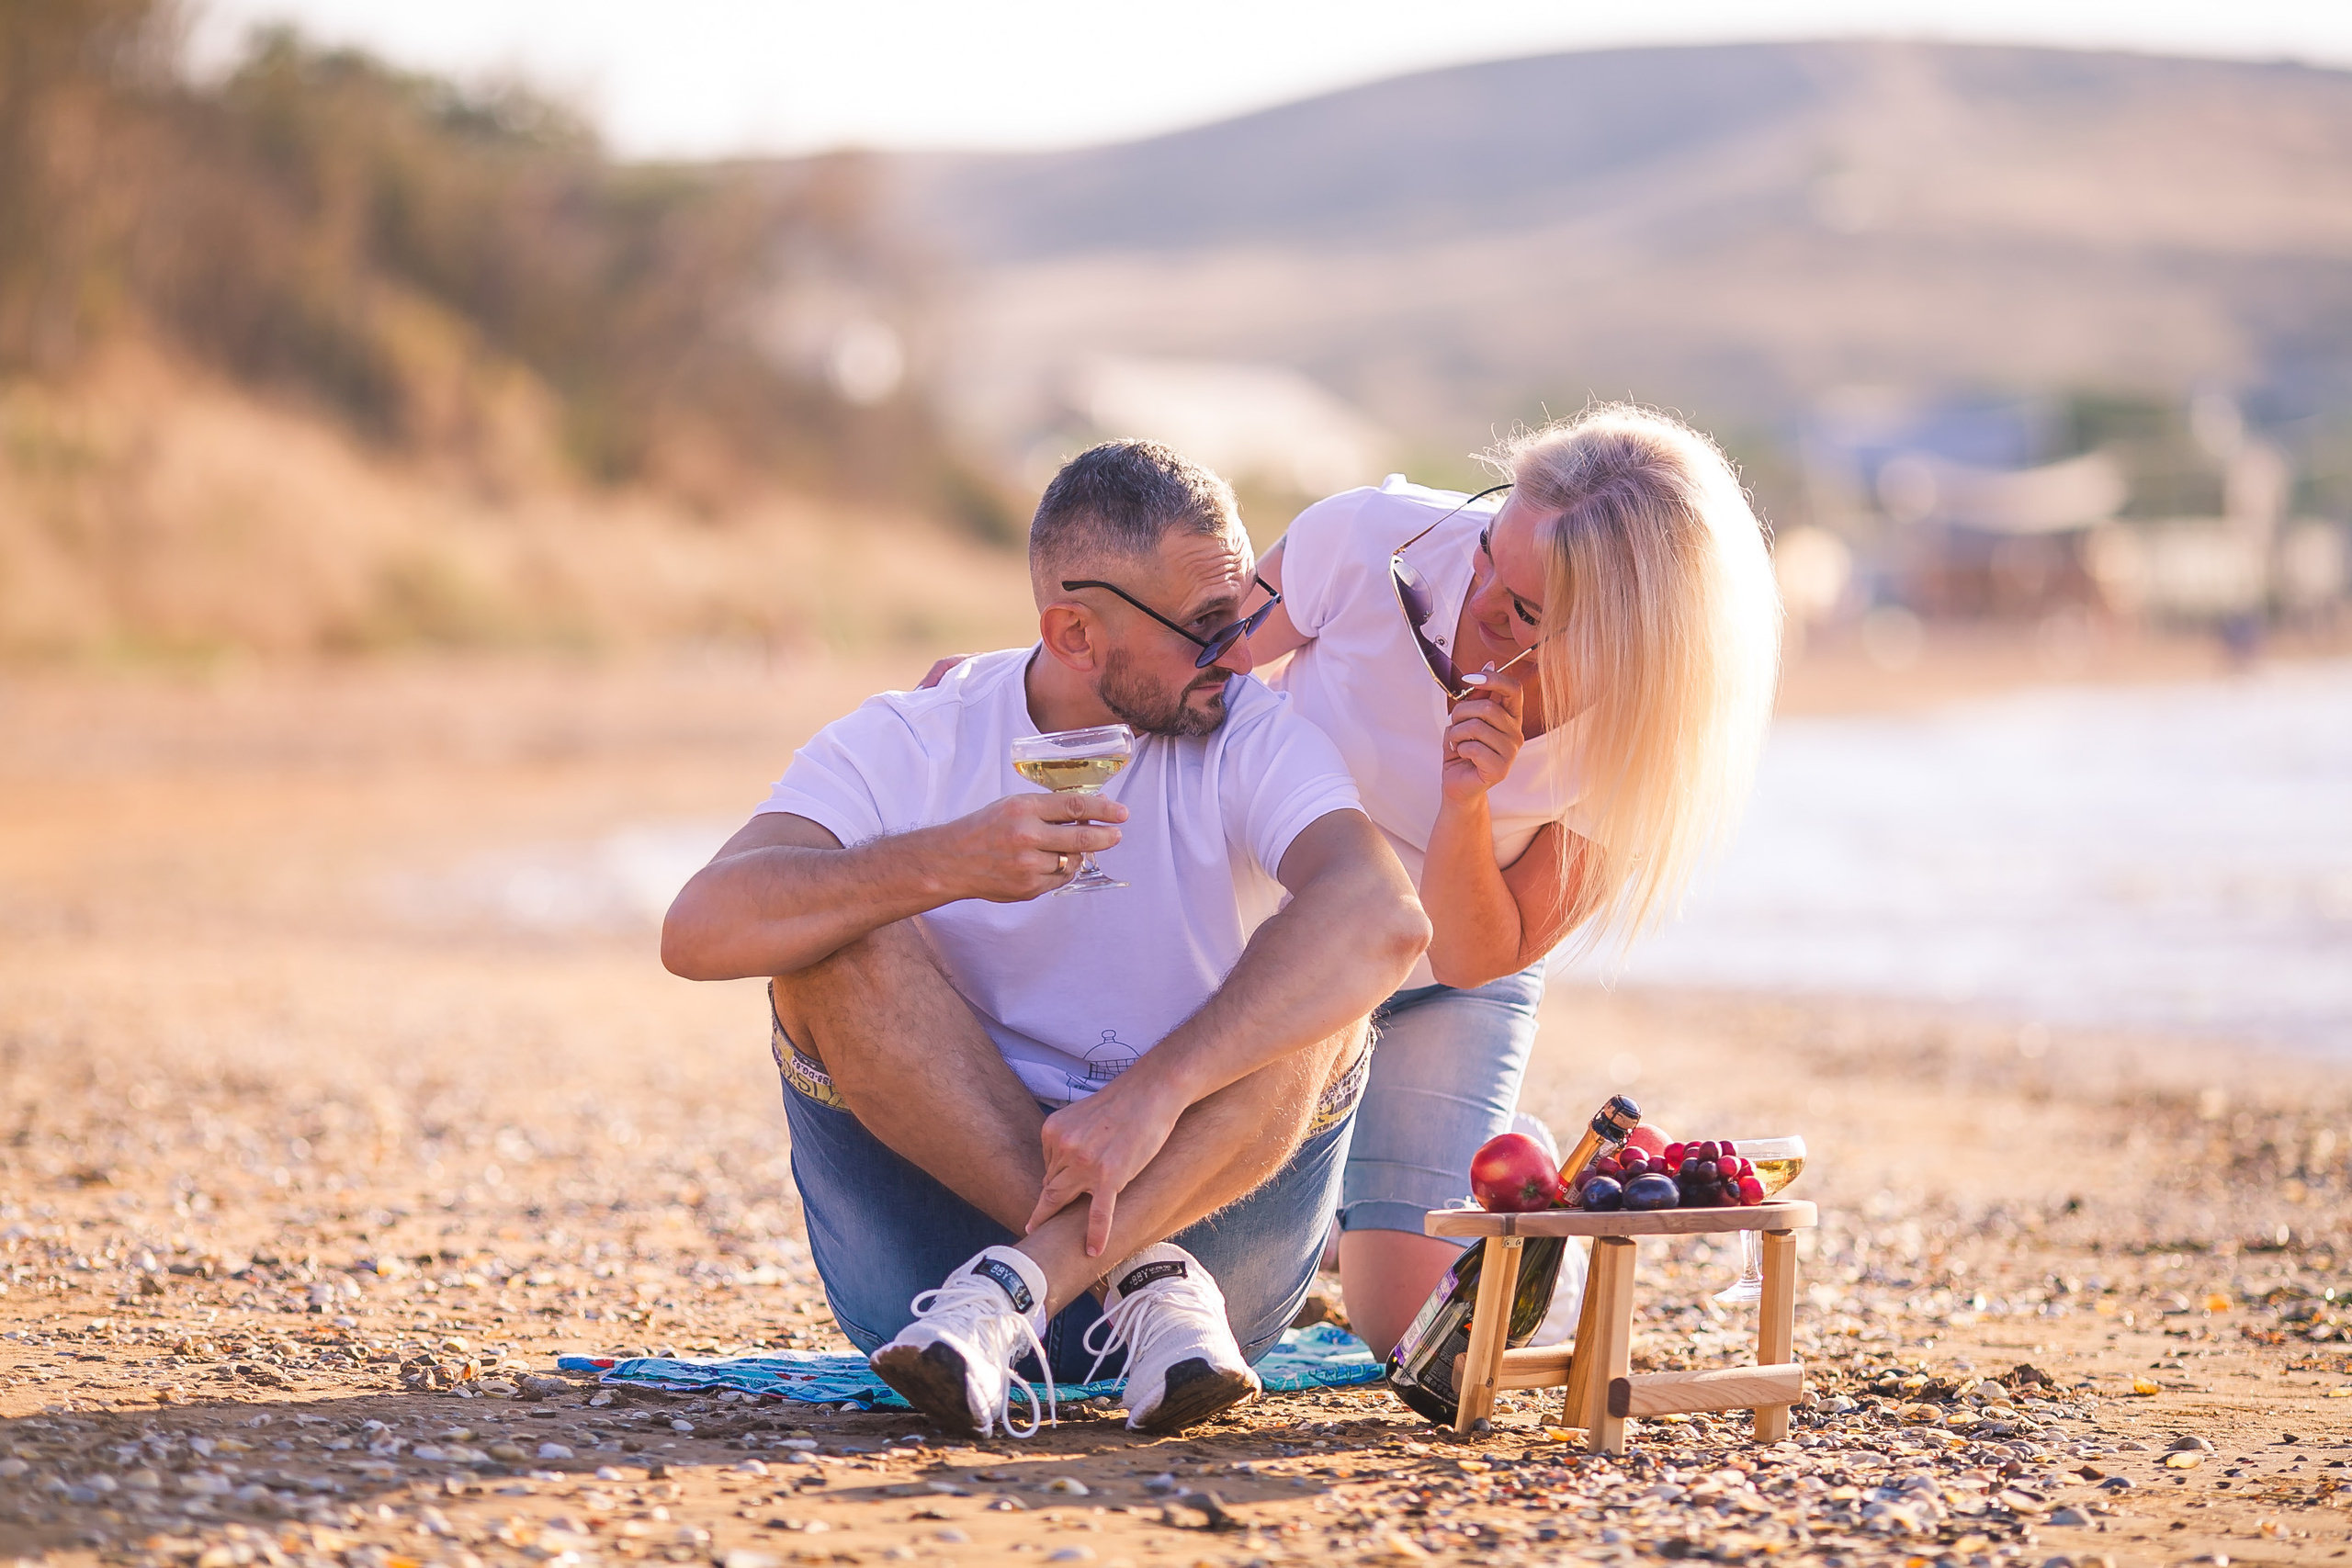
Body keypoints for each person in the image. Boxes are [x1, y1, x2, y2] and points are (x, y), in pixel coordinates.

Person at [662, 440, 1429, 1439]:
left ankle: (1044, 1281)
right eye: (1205, 628)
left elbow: (1385, 919)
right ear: (1072, 632)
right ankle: (1129, 1274)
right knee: (832, 939)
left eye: (1243, 613)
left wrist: (1148, 1098)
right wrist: (939, 862)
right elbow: (698, 926)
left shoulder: (1248, 729)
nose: (1239, 651)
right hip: (934, 1271)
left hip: (1209, 1284)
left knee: (1325, 976)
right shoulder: (915, 737)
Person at [1243, 404, 1783, 1359]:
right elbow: (1181, 670)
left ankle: (1512, 1175)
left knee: (1407, 1333)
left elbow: (1475, 953)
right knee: (1229, 1301)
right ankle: (1351, 1194)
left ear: (1622, 637)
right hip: (1275, 952)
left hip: (1446, 985)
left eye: (1526, 611)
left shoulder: (1643, 737)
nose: (1479, 596)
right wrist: (1003, 694)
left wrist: (1467, 805)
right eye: (1491, 548)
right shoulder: (1365, 538)